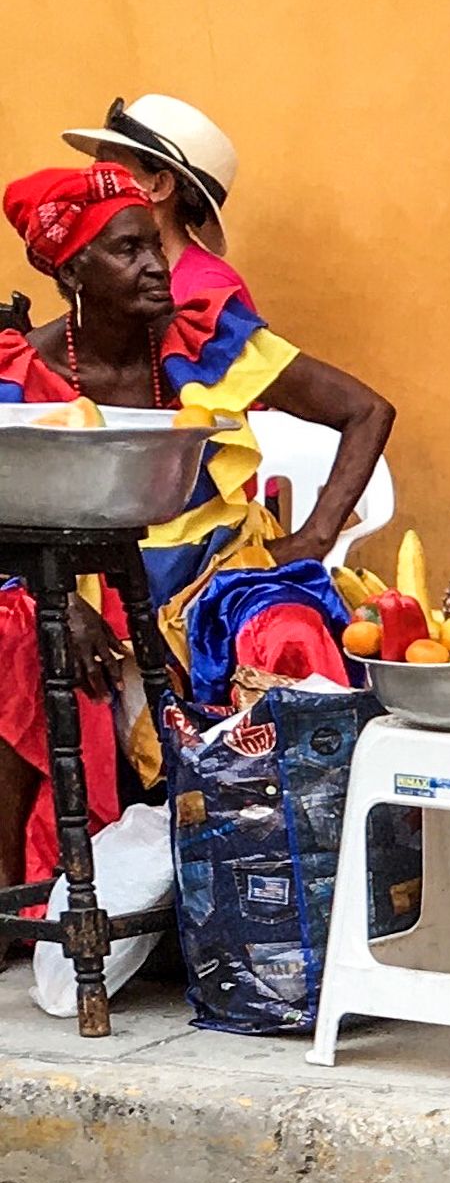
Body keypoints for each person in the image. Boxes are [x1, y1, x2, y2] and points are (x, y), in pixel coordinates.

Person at [0, 162, 393, 894]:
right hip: (80, 583)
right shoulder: (20, 371)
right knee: (12, 633)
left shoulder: (206, 338)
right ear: (72, 268)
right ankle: (24, 886)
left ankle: (300, 889)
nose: (158, 267)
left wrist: (311, 537)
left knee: (287, 630)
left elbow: (366, 409)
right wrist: (59, 599)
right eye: (128, 250)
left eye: (156, 245)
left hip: (220, 578)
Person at [63, 94, 254, 311]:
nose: (94, 178)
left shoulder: (209, 290)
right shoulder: (115, 274)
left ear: (160, 185)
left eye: (110, 166)